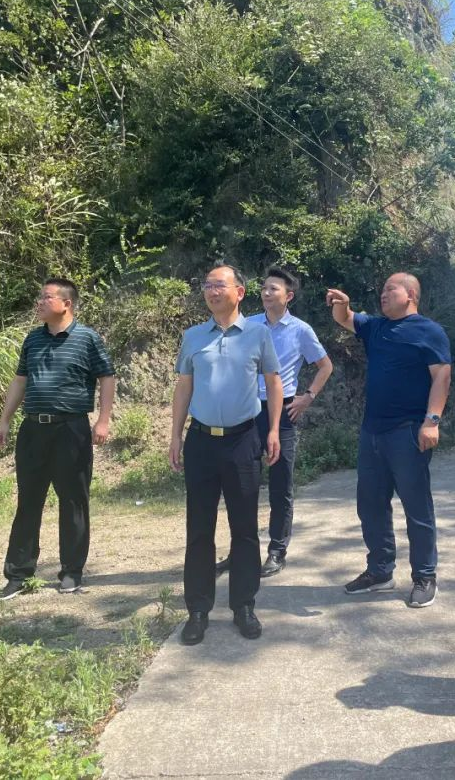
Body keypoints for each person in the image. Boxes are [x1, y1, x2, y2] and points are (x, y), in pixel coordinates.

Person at [169, 265, 282, 646]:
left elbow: (273, 382)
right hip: (201, 441)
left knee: (245, 528)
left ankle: (243, 606)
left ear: (240, 292)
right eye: (207, 285)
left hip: (243, 440)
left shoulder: (258, 334)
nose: (212, 291)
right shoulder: (193, 337)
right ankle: (198, 610)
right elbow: (184, 387)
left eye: (219, 285)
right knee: (199, 528)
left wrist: (273, 430)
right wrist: (175, 436)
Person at [326, 273, 451, 608]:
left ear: (410, 294)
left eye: (390, 289)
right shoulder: (376, 327)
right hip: (372, 432)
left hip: (408, 431)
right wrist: (343, 305)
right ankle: (380, 571)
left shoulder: (429, 331)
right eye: (381, 289)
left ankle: (425, 575)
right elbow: (345, 319)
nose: (383, 293)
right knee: (370, 504)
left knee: (417, 507)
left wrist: (432, 421)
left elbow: (441, 376)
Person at [0, 278, 115, 599]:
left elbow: (106, 377)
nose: (40, 302)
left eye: (47, 297)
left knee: (74, 501)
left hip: (71, 430)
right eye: (40, 297)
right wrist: (5, 420)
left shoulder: (87, 339)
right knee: (28, 502)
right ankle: (18, 574)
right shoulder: (33, 339)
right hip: (33, 430)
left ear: (66, 303)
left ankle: (72, 572)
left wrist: (103, 420)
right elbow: (20, 380)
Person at [216, 267, 333, 578]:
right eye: (264, 288)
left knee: (280, 485)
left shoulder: (301, 330)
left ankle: (277, 551)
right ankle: (240, 552)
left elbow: (325, 366)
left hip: (282, 413)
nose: (266, 293)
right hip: (245, 411)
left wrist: (308, 397)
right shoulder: (249, 324)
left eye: (273, 289)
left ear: (288, 296)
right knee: (241, 485)